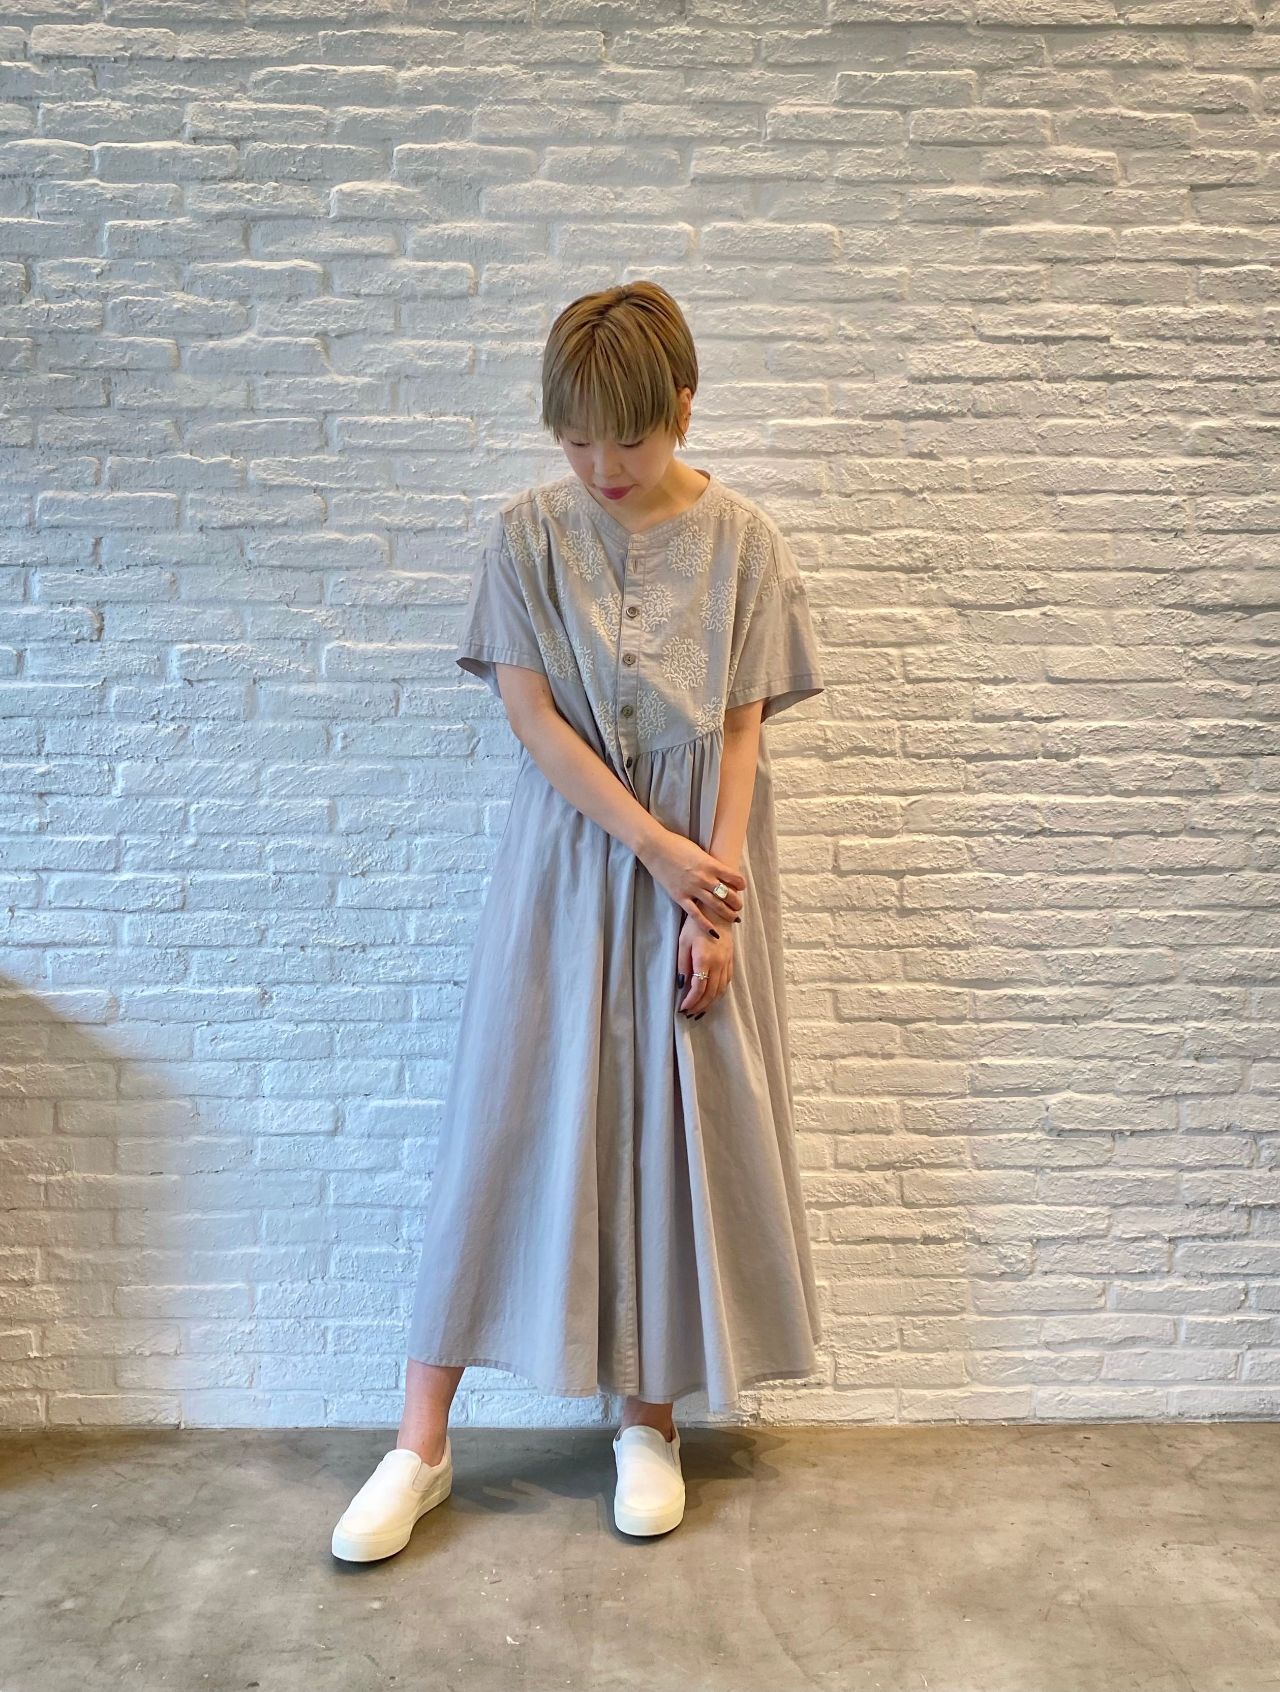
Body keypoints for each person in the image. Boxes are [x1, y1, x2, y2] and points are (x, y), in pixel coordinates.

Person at [331, 281, 826, 1562]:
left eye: (629, 438)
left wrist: (713, 900)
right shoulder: (525, 538)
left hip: (697, 875)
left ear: (682, 408)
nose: (601, 465)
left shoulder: (745, 544)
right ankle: (419, 1442)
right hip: (570, 856)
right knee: (503, 1116)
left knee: (669, 1123)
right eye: (575, 439)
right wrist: (652, 848)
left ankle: (645, 1420)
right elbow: (533, 719)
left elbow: (738, 733)